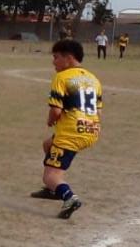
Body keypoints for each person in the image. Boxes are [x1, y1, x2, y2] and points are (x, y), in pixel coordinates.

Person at [30, 40, 101, 219]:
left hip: (71, 131)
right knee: (47, 145)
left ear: (68, 58)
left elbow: (56, 110)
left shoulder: (62, 77)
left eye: (56, 57)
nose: (53, 62)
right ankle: (53, 191)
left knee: (50, 176)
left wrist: (50, 120)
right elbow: (98, 110)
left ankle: (68, 197)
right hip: (91, 129)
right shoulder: (93, 79)